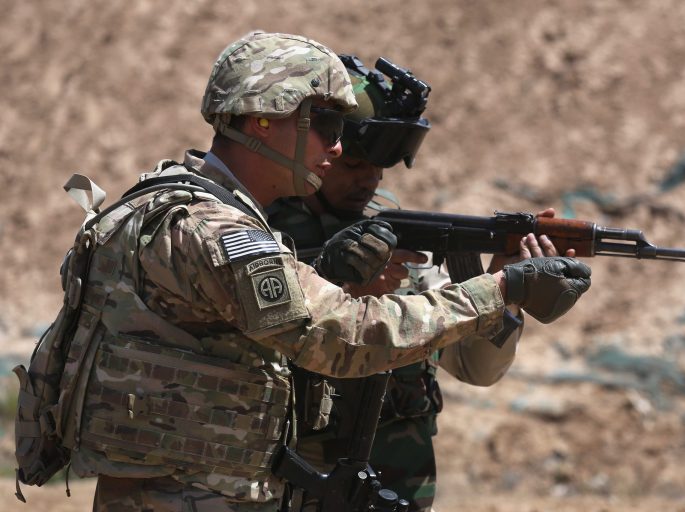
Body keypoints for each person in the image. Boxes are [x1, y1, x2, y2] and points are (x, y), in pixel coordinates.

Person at [48, 31, 590, 512]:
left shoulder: (162, 204)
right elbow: (341, 338)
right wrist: (503, 288)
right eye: (325, 125)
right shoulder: (216, 232)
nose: (335, 147)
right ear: (262, 121)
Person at [267, 55, 576, 511]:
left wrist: (501, 290)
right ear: (318, 149)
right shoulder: (260, 239)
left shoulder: (401, 246)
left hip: (396, 493)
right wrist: (340, 287)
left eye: (379, 169)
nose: (369, 181)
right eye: (353, 163)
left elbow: (478, 369)